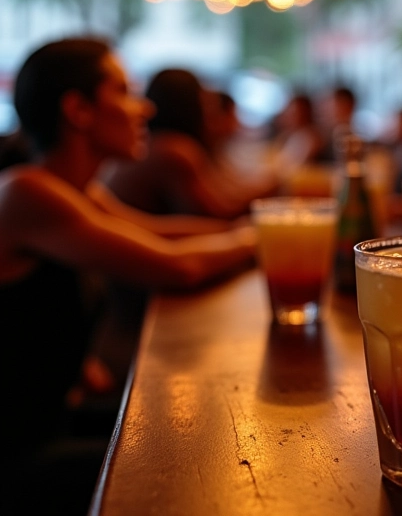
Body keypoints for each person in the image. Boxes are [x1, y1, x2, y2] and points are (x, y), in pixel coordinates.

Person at [0, 38, 257, 514]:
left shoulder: (72, 190)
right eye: (123, 90)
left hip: (56, 418)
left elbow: (165, 234)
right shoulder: (26, 192)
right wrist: (259, 239)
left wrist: (250, 229)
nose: (144, 107)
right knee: (200, 459)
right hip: (16, 457)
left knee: (202, 427)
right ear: (77, 109)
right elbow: (175, 265)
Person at [104, 69, 273, 219]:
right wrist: (279, 186)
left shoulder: (158, 143)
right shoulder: (173, 150)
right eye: (123, 93)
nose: (144, 108)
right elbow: (218, 215)